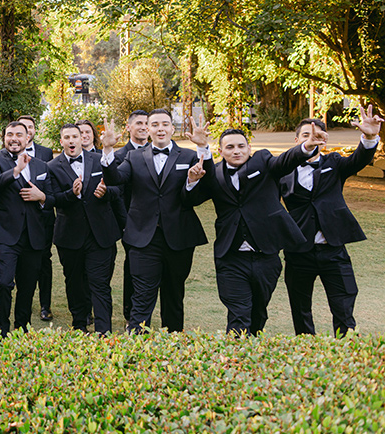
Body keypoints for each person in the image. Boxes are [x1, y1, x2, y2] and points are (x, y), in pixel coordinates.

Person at [185, 126, 325, 335]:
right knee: (239, 314)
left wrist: (306, 147)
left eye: (241, 146)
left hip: (265, 256)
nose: (236, 151)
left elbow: (285, 161)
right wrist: (192, 181)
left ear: (249, 148)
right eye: (230, 147)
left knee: (258, 313)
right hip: (230, 257)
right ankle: (236, 360)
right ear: (221, 151)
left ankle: (252, 355)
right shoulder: (214, 174)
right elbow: (192, 199)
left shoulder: (263, 161)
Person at [101, 109, 209, 333]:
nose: (160, 128)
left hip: (179, 238)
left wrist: (192, 177)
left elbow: (201, 195)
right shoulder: (134, 157)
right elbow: (115, 179)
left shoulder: (189, 157)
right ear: (147, 129)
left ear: (172, 128)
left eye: (165, 124)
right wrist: (108, 149)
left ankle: (173, 347)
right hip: (143, 238)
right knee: (141, 295)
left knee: (174, 295)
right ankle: (137, 345)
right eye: (155, 124)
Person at [281, 107, 382, 336]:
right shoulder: (283, 169)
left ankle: (344, 352)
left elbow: (359, 160)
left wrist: (369, 137)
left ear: (323, 140)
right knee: (300, 308)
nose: (310, 139)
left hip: (333, 250)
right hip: (298, 250)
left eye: (316, 135)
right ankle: (306, 351)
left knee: (344, 306)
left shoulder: (334, 163)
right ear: (296, 140)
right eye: (305, 135)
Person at [47, 124, 122, 334]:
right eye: (66, 137)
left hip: (100, 234)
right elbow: (51, 199)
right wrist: (71, 194)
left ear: (82, 139)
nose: (71, 141)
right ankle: (79, 325)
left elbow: (119, 187)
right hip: (69, 236)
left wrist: (107, 191)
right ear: (61, 141)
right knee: (75, 283)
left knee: (99, 284)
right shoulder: (52, 166)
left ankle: (104, 331)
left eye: (75, 137)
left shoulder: (99, 159)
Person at [0, 121, 52, 336]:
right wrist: (16, 171)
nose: (14, 138)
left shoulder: (42, 165)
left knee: (28, 287)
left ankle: (22, 329)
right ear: (4, 137)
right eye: (10, 134)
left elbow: (50, 197)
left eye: (19, 135)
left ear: (28, 137)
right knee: (3, 283)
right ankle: (2, 330)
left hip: (34, 236)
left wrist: (41, 198)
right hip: (5, 234)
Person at [114, 110, 150, 329]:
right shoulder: (120, 157)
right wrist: (126, 224)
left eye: (147, 123)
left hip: (157, 223)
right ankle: (130, 312)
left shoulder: (158, 151)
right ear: (128, 127)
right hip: (132, 224)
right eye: (139, 123)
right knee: (133, 268)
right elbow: (117, 195)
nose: (144, 126)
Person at [17, 114, 55, 321]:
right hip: (18, 220)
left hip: (42, 218)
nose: (28, 130)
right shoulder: (8, 156)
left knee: (44, 262)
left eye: (30, 127)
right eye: (24, 127)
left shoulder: (46, 153)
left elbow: (50, 183)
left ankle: (45, 305)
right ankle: (25, 303)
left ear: (33, 130)